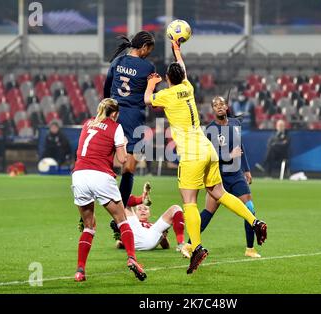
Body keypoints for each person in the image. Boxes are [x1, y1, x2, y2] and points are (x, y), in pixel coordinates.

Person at [144, 40, 267, 274]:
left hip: (191, 153)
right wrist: (177, 49)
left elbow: (147, 100)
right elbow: (182, 67)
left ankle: (197, 246)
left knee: (189, 201)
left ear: (169, 79)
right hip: (208, 148)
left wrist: (151, 84)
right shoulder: (188, 87)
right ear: (182, 76)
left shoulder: (168, 94)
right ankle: (255, 222)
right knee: (220, 193)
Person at [71, 98, 146, 282]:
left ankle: (80, 270)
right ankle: (132, 259)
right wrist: (125, 144)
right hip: (101, 176)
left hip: (79, 175)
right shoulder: (115, 127)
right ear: (114, 114)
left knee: (89, 226)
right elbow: (122, 159)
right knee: (122, 220)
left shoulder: (87, 123)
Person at [181, 96, 261, 258]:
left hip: (237, 174)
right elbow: (209, 154)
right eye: (215, 105)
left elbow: (240, 147)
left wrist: (246, 169)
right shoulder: (209, 130)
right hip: (218, 176)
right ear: (212, 109)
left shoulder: (235, 124)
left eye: (221, 104)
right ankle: (190, 245)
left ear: (226, 107)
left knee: (250, 209)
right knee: (208, 212)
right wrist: (229, 155)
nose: (219, 107)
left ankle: (250, 249)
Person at [103, 30, 155, 208]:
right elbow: (150, 97)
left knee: (105, 161)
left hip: (112, 113)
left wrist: (106, 110)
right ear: (143, 47)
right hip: (133, 117)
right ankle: (122, 210)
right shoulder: (148, 68)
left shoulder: (117, 62)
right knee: (129, 167)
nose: (149, 53)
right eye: (149, 49)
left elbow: (106, 87)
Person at [111, 182, 187, 253]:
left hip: (150, 237)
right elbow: (119, 244)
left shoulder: (153, 226)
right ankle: (142, 199)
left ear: (149, 213)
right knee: (124, 197)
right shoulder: (131, 222)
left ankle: (181, 244)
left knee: (176, 208)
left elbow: (166, 246)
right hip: (136, 236)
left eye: (145, 209)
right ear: (135, 213)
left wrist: (163, 236)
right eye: (139, 209)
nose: (142, 211)